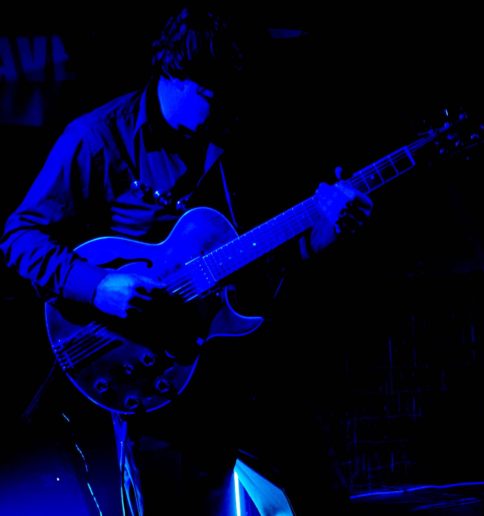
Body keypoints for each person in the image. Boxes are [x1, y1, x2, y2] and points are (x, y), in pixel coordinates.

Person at [1, 7, 372, 515]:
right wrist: (97, 286)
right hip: (154, 374)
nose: (218, 109)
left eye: (227, 94)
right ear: (171, 72)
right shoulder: (97, 138)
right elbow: (20, 237)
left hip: (236, 357)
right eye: (208, 94)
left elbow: (264, 261)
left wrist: (323, 234)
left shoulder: (233, 136)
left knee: (321, 491)